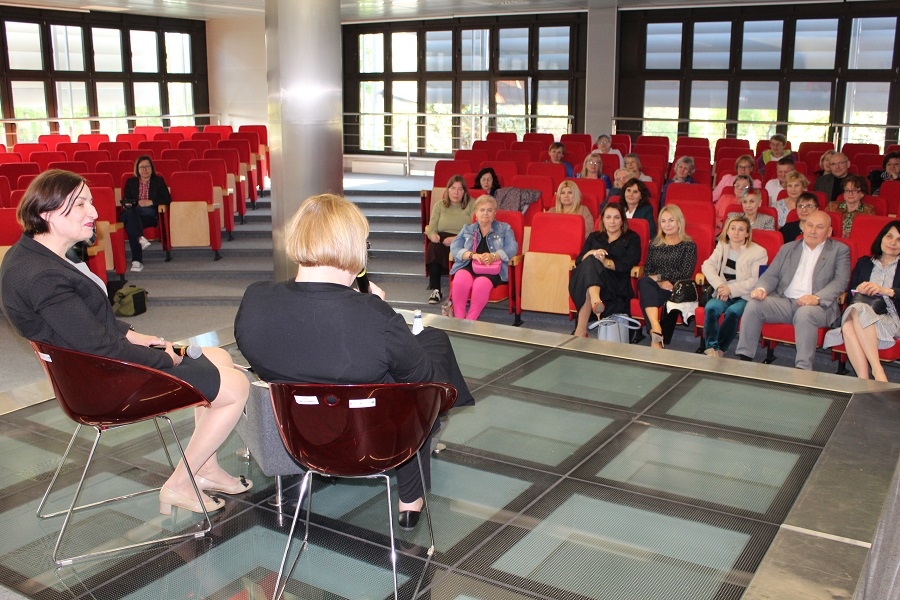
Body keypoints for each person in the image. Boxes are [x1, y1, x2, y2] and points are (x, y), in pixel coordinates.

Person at [0, 170, 251, 515]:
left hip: (92, 367)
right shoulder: (42, 276)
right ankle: (180, 484)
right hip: (101, 384)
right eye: (81, 204)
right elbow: (99, 347)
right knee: (235, 386)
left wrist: (134, 335)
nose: (94, 212)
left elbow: (83, 322)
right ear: (48, 213)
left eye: (90, 202)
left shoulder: (30, 255)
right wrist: (167, 359)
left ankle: (205, 468)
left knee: (218, 358)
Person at [234, 193, 474, 531]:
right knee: (426, 355)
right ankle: (410, 499)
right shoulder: (373, 316)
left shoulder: (255, 300)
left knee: (396, 365)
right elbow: (425, 382)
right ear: (352, 247)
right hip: (372, 445)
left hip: (302, 440)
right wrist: (379, 311)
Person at [734, 210, 851, 370]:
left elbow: (840, 281)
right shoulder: (788, 248)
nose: (813, 231)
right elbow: (771, 275)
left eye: (819, 227)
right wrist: (761, 288)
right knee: (754, 305)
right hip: (785, 302)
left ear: (829, 231)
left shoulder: (839, 250)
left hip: (818, 307)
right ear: (803, 227)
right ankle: (744, 358)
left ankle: (803, 369)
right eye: (809, 225)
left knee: (805, 314)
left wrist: (816, 298)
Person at [832, 220, 900, 381]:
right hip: (863, 315)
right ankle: (865, 380)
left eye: (899, 239)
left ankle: (877, 371)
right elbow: (850, 298)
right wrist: (859, 289)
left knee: (855, 315)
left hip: (892, 318)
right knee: (849, 323)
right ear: (881, 238)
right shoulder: (864, 263)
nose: (893, 242)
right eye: (889, 236)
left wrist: (886, 291)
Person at [568, 203, 641, 337]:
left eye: (616, 217)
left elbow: (628, 263)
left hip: (615, 282)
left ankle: (580, 330)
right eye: (608, 217)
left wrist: (605, 262)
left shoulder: (632, 238)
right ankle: (595, 299)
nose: (612, 221)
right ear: (602, 220)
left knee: (590, 271)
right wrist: (593, 253)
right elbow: (579, 260)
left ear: (622, 220)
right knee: (590, 260)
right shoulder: (594, 237)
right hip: (589, 278)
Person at [700, 216, 768, 357]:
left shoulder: (759, 252)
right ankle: (711, 347)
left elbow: (755, 280)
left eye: (741, 229)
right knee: (711, 308)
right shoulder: (722, 246)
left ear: (747, 233)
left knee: (733, 312)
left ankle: (721, 349)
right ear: (727, 231)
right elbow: (707, 265)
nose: (736, 232)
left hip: (744, 295)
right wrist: (720, 286)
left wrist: (731, 289)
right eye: (733, 228)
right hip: (722, 291)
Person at [449, 195, 518, 320]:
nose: (485, 213)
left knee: (480, 284)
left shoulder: (504, 228)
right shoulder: (467, 229)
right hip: (469, 265)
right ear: (476, 212)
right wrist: (472, 255)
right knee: (460, 280)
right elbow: (454, 248)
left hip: (493, 270)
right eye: (482, 210)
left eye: (489, 210)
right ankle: (459, 320)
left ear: (495, 213)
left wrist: (494, 256)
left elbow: (512, 247)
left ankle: (470, 321)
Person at [637, 205, 697, 349]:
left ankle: (654, 332)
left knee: (646, 293)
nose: (667, 225)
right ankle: (656, 328)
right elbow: (648, 271)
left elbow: (685, 273)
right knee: (644, 281)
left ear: (679, 222)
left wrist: (659, 279)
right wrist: (660, 282)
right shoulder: (655, 244)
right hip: (654, 285)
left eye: (671, 220)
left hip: (675, 288)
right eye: (663, 221)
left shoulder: (688, 246)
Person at [424, 175, 474, 304]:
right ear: (448, 190)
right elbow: (431, 228)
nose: (456, 193)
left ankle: (461, 290)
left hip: (463, 239)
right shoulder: (439, 205)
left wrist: (456, 238)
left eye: (460, 189)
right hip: (442, 240)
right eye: (453, 188)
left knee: (460, 249)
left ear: (464, 191)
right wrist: (432, 235)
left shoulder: (471, 204)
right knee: (433, 247)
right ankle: (436, 290)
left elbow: (474, 229)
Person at [121, 155, 171, 272]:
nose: (145, 170)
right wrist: (135, 203)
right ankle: (139, 241)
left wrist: (151, 202)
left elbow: (167, 199)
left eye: (147, 166)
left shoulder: (158, 181)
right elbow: (127, 200)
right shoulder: (131, 182)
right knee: (131, 214)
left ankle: (137, 260)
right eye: (141, 167)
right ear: (137, 169)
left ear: (152, 168)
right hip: (135, 212)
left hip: (150, 214)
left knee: (128, 221)